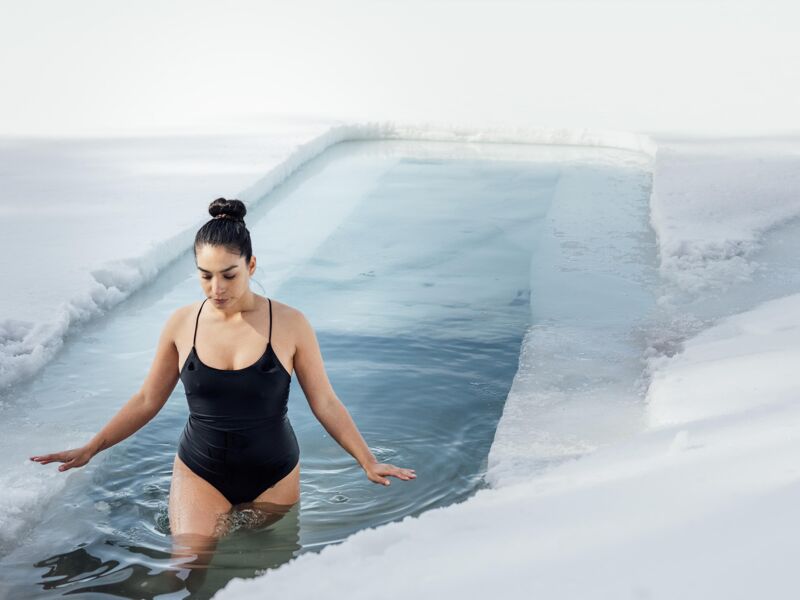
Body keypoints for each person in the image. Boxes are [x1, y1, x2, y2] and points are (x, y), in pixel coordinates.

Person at [30, 197, 416, 582]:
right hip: (201, 470)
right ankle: (90, 574)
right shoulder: (182, 324)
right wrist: (92, 446)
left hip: (275, 476)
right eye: (205, 275)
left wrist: (367, 460)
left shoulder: (291, 324)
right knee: (183, 573)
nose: (216, 288)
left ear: (250, 265)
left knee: (261, 574)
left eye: (228, 275)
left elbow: (325, 402)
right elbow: (148, 399)